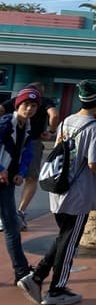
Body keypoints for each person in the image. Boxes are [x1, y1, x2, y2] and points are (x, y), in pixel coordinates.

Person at [18, 81, 96, 305]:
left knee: (63, 238)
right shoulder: (94, 127)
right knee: (69, 243)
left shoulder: (67, 121)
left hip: (58, 190)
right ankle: (57, 290)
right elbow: (93, 163)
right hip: (78, 195)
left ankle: (37, 277)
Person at [0, 82, 60, 232]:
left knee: (10, 177)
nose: (29, 108)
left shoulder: (17, 100)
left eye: (33, 105)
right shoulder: (44, 102)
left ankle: (7, 216)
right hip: (31, 141)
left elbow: (0, 108)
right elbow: (54, 115)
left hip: (20, 141)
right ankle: (19, 212)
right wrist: (51, 131)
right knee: (30, 178)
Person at [0, 88, 38, 290]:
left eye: (33, 106)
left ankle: (21, 272)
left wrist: (21, 173)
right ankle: (22, 271)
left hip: (5, 183)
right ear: (18, 105)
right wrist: (1, 169)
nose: (30, 109)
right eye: (26, 105)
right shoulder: (6, 123)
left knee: (11, 226)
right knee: (11, 226)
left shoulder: (27, 127)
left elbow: (27, 154)